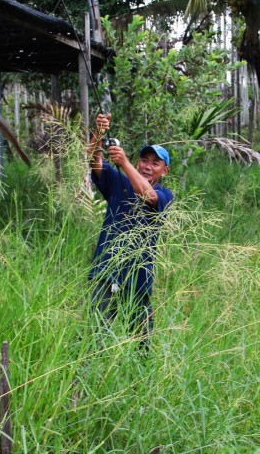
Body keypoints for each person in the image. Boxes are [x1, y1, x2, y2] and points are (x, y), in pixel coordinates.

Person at [86, 113, 174, 348]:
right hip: (106, 271)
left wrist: (124, 162)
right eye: (144, 160)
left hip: (138, 278)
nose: (148, 167)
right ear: (138, 162)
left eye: (156, 163)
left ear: (164, 171)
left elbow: (149, 195)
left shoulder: (166, 196)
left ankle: (141, 383)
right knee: (95, 336)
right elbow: (92, 159)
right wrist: (99, 133)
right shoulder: (117, 181)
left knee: (141, 343)